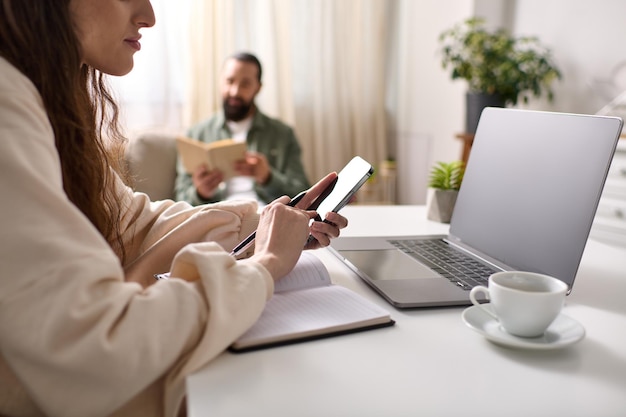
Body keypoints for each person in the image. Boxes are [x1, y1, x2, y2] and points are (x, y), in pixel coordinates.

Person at [0, 1, 348, 416]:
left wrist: (262, 225)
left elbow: (131, 221)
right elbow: (98, 351)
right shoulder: (8, 107)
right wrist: (267, 261)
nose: (148, 15)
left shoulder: (43, 101)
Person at [175, 52, 310, 205]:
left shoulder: (283, 134)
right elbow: (181, 200)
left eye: (245, 84)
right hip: (218, 217)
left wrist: (268, 178)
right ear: (220, 82)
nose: (235, 91)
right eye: (229, 81)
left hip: (267, 216)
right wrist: (201, 193)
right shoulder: (196, 134)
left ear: (258, 88)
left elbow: (304, 194)